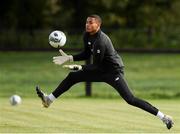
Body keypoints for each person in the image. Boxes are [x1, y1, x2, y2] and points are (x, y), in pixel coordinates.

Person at [36, 14, 174, 129]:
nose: (87, 25)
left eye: (91, 23)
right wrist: (70, 58)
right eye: (86, 22)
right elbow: (86, 54)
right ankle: (48, 100)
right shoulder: (87, 35)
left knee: (130, 99)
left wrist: (80, 67)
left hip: (113, 72)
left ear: (98, 25)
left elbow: (96, 66)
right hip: (100, 69)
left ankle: (164, 117)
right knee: (72, 77)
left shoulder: (101, 41)